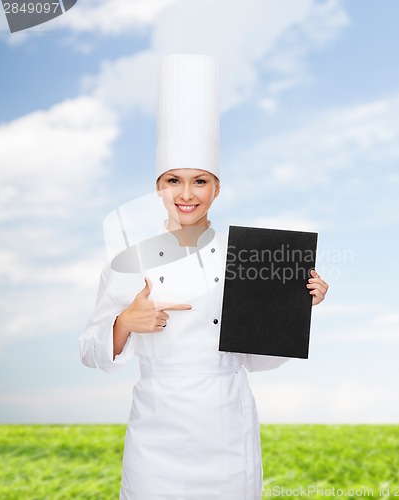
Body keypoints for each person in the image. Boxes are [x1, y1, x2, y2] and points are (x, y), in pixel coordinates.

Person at [79, 54, 329, 500]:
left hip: (226, 429)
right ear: (159, 187)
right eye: (174, 180)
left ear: (217, 188)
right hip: (156, 434)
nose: (186, 194)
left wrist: (295, 306)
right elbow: (89, 351)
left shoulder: (252, 256)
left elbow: (259, 359)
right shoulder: (128, 261)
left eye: (200, 182)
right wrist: (123, 324)